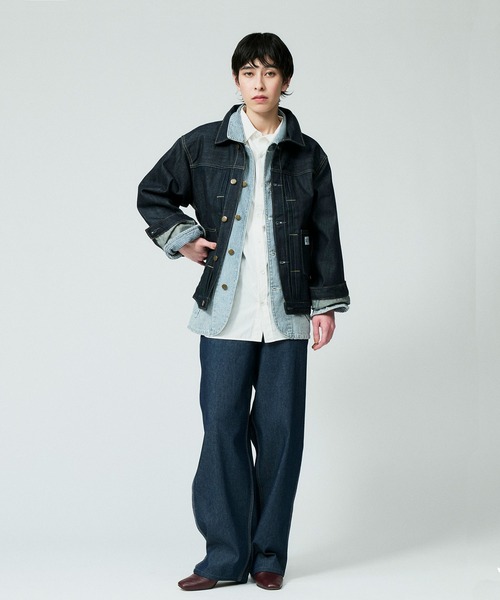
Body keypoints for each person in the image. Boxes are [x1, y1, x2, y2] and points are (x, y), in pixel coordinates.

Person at [137, 32, 349, 591]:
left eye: (270, 73)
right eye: (250, 73)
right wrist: (182, 238)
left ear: (285, 81)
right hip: (225, 312)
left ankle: (268, 556)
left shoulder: (308, 154)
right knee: (222, 429)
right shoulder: (203, 145)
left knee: (280, 433)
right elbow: (152, 192)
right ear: (236, 80)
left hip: (287, 312)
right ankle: (225, 557)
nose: (260, 83)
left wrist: (326, 305)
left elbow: (325, 232)